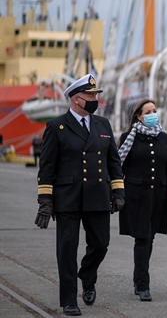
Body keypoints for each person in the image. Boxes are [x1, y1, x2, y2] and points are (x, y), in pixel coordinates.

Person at [34, 74, 124, 316]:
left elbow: (113, 161)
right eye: (91, 96)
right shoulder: (56, 126)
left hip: (98, 196)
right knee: (66, 250)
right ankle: (68, 301)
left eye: (96, 95)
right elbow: (47, 168)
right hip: (68, 198)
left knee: (101, 244)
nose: (95, 99)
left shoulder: (103, 125)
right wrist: (45, 201)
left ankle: (86, 274)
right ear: (76, 99)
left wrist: (118, 191)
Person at [118, 99, 167, 301]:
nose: (153, 114)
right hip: (136, 196)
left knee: (149, 238)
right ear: (139, 116)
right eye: (148, 111)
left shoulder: (165, 138)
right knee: (142, 238)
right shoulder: (129, 137)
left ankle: (138, 278)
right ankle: (143, 285)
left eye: (154, 110)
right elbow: (120, 168)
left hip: (158, 197)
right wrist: (117, 193)